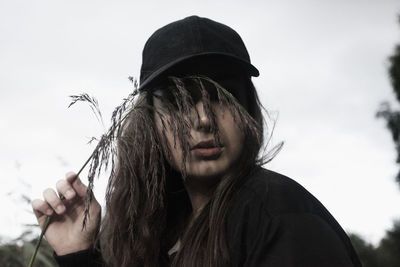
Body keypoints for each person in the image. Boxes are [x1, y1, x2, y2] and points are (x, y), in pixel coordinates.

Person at [32, 15, 362, 267]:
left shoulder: (277, 213)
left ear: (247, 108)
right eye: (179, 99)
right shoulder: (159, 229)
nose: (204, 118)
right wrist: (79, 254)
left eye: (223, 95)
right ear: (151, 121)